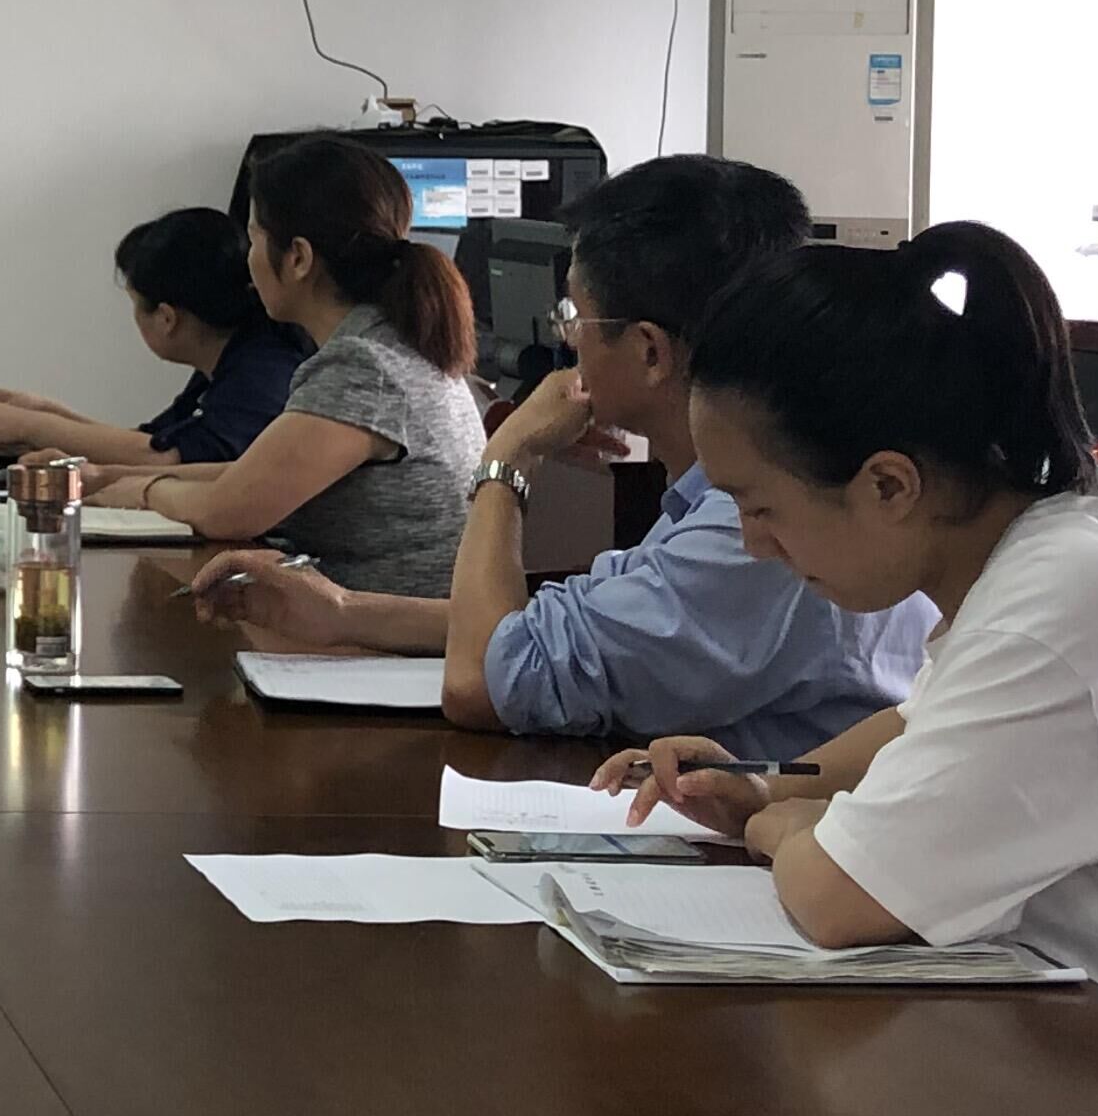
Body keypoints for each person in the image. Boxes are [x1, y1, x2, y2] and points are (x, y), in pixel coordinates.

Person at [606, 223, 1098, 1116]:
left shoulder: (1065, 598)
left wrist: (778, 825)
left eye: (760, 507)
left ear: (889, 486)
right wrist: (766, 783)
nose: (752, 544)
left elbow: (834, 897)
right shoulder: (1056, 532)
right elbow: (924, 722)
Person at [197, 156, 934, 759]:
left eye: (575, 315)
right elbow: (548, 635)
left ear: (649, 351)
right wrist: (342, 613)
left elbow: (481, 685)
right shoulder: (716, 499)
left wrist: (506, 459)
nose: (566, 338)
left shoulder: (752, 533)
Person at [108, 134, 484, 595]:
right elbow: (248, 475)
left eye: (254, 239)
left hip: (382, 636)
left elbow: (227, 510)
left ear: (299, 258)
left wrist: (143, 492)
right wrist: (117, 478)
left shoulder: (364, 367)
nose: (247, 263)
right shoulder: (387, 343)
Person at [0, 208, 305, 469]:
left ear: (166, 318)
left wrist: (28, 426)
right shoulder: (227, 359)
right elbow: (149, 441)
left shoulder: (264, 369)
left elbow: (169, 459)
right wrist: (41, 411)